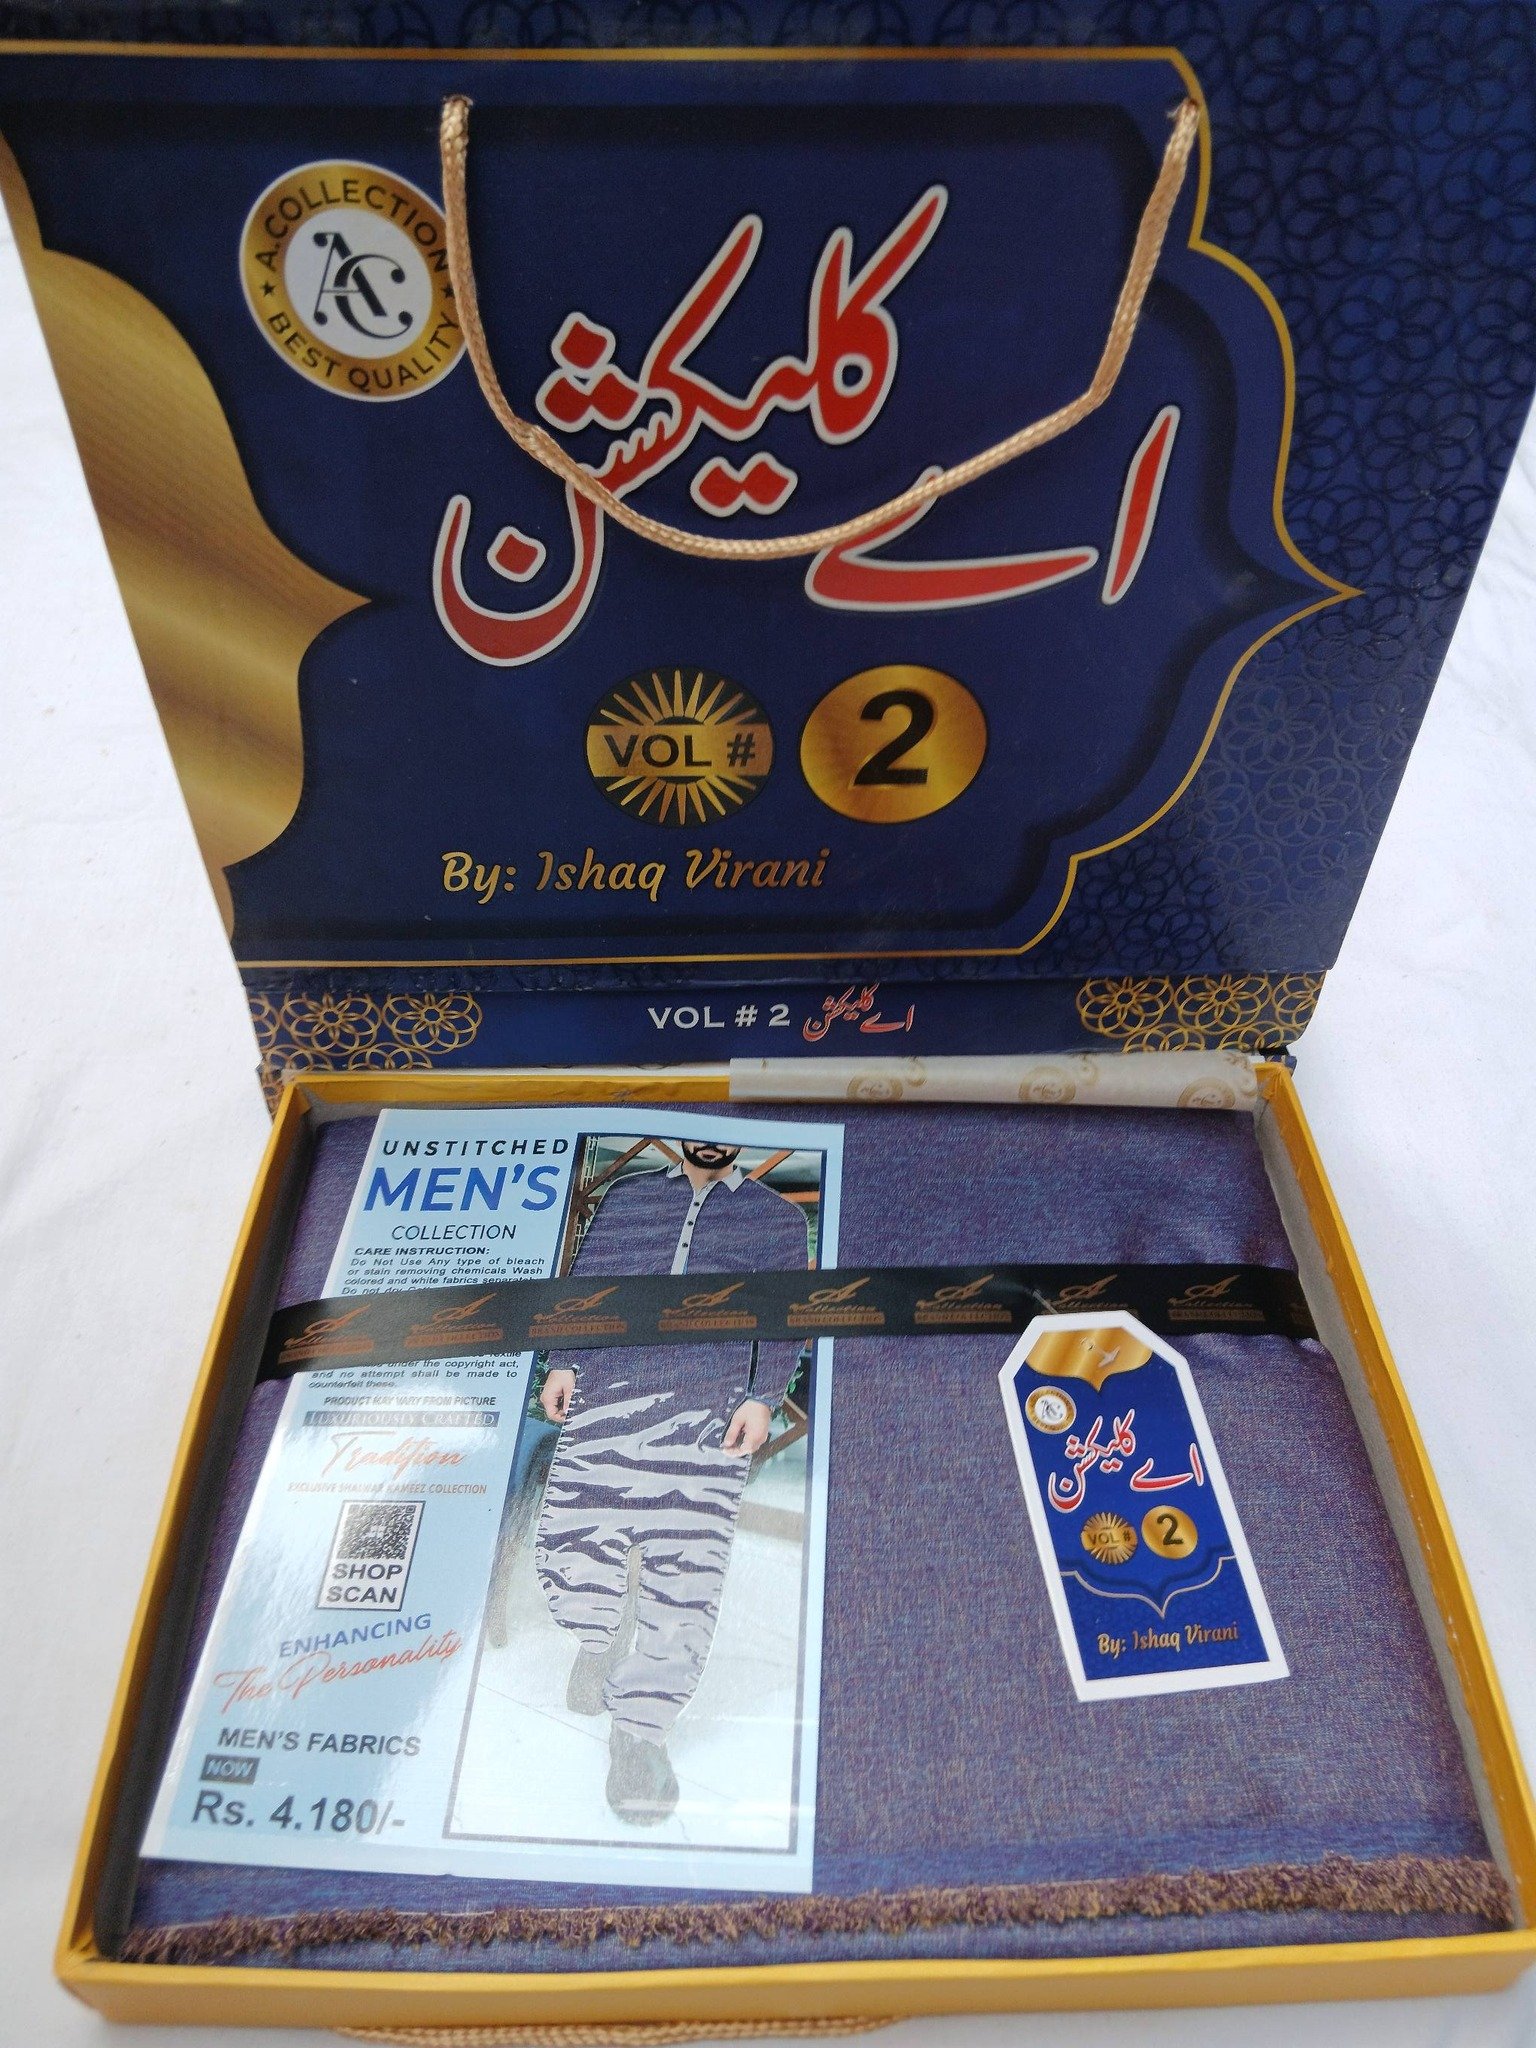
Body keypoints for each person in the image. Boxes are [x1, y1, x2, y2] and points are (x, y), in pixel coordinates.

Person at [534, 1138, 809, 1824]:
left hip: (710, 1404)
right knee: (572, 1538)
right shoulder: (630, 1197)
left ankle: (641, 1730)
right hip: (611, 1387)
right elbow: (591, 1275)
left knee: (687, 1570)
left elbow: (786, 1312)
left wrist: (763, 1397)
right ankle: (598, 1641)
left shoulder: (776, 1218)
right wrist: (564, 1358)